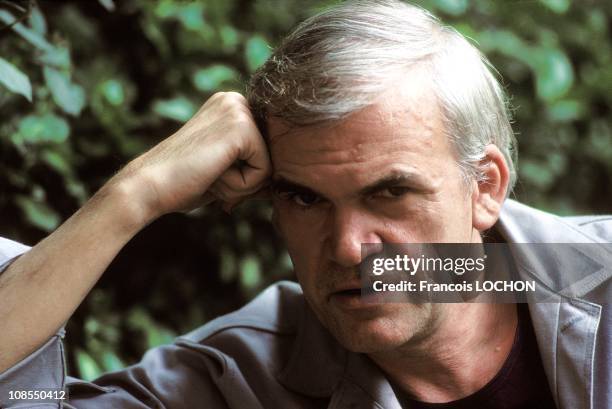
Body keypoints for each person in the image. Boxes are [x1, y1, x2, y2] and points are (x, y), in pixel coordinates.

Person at [0, 1, 610, 408]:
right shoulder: (244, 378)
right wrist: (131, 195)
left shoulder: (598, 278)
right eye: (304, 198)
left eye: (389, 193)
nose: (348, 247)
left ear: (486, 187)